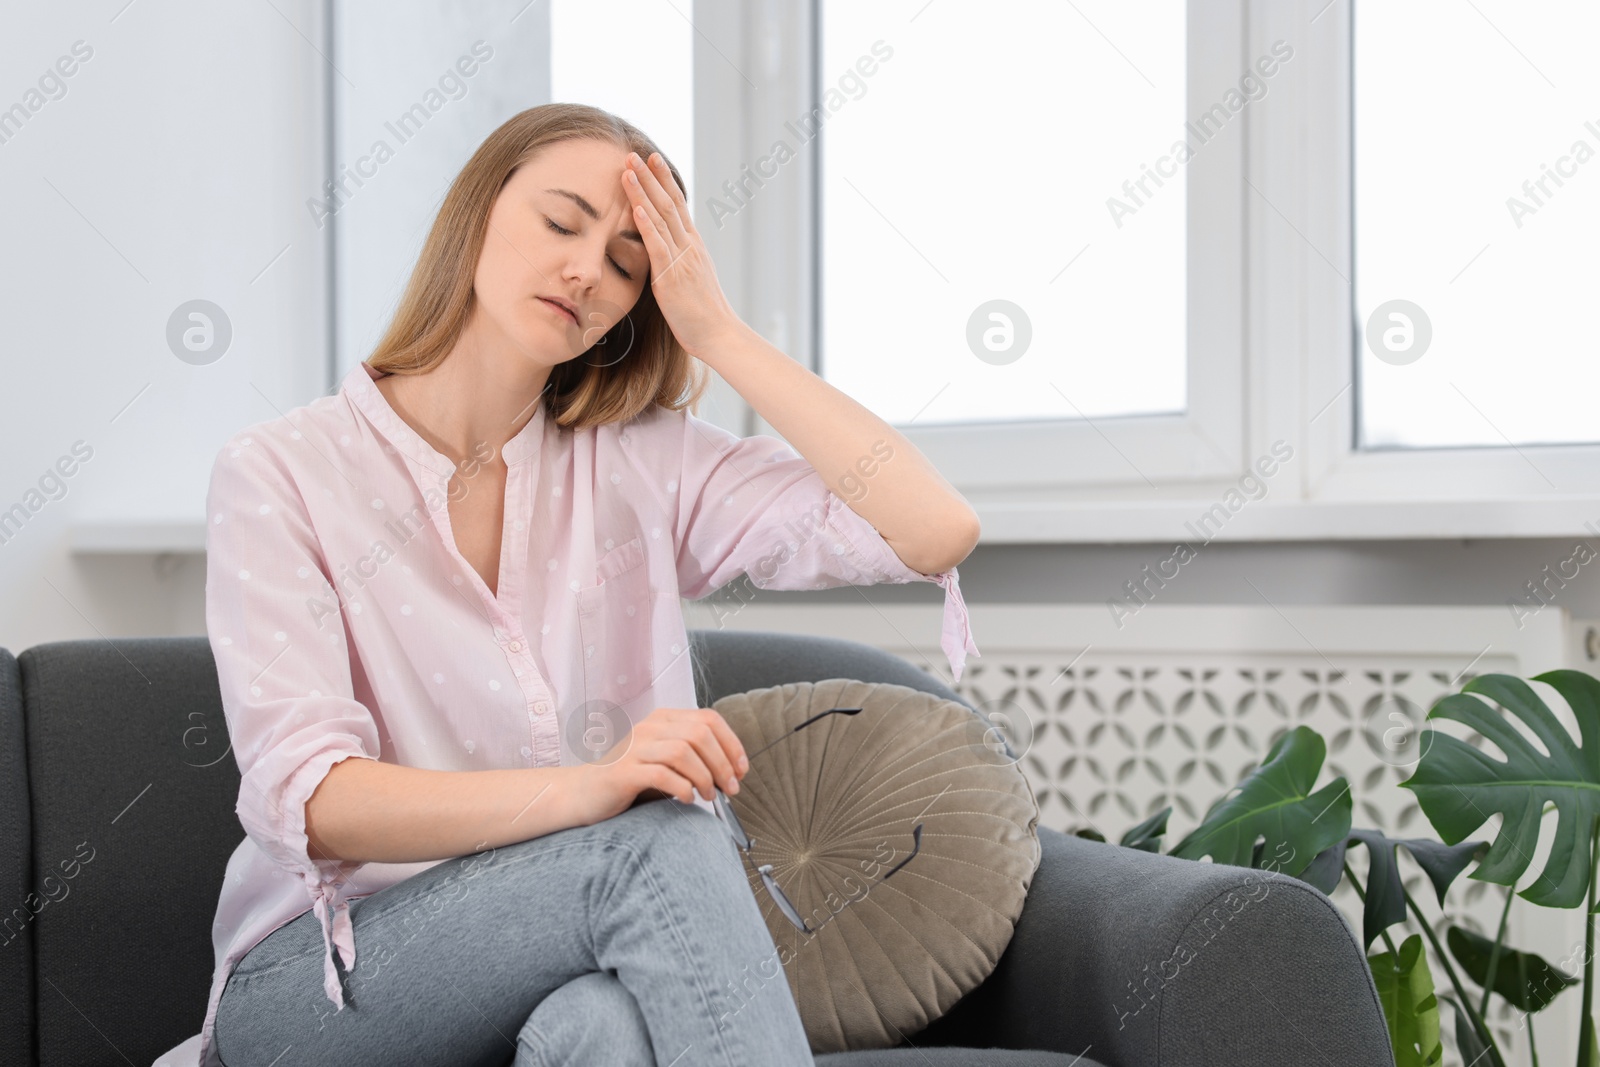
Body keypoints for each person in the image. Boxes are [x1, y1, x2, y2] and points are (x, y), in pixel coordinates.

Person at [157, 102, 980, 1067]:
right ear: (478, 212)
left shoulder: (639, 463)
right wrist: (593, 789)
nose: (588, 270)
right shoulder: (281, 470)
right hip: (319, 982)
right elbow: (317, 798)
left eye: (630, 262)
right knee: (659, 839)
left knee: (604, 1029)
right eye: (560, 223)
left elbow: (934, 528)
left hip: (557, 969)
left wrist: (718, 332)